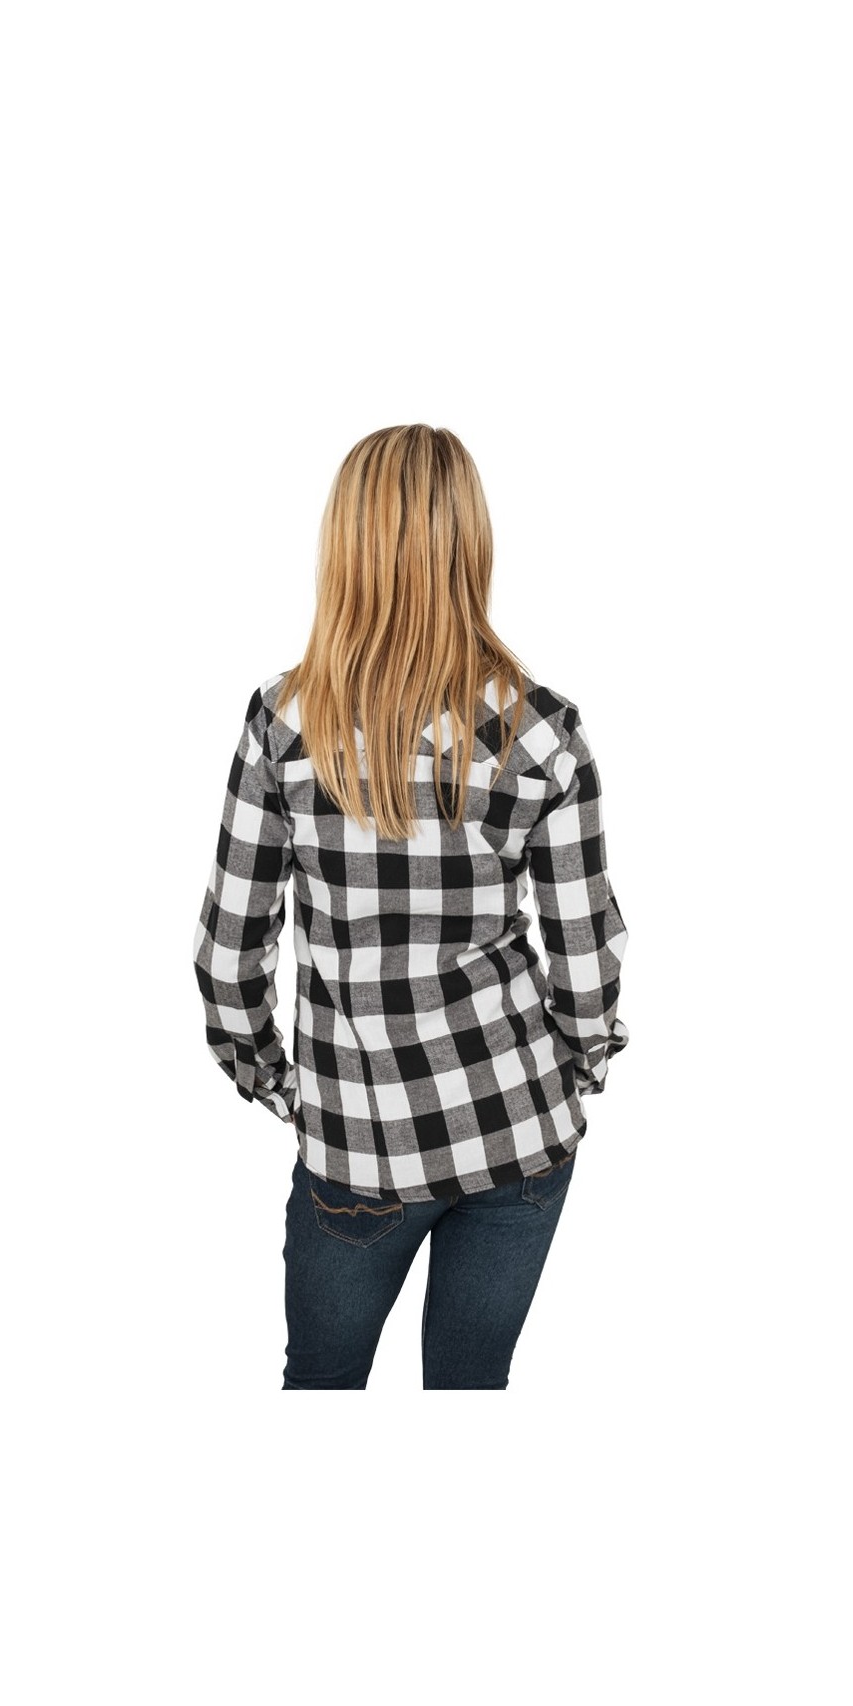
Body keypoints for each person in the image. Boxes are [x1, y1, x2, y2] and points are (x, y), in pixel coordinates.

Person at [192, 424, 628, 1389]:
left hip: (359, 1142)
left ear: (344, 543)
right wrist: (579, 1068)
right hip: (518, 1126)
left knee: (321, 1387)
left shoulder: (284, 725)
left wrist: (285, 1089)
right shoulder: (543, 731)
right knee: (470, 1393)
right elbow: (588, 956)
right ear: (472, 542)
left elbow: (228, 956)